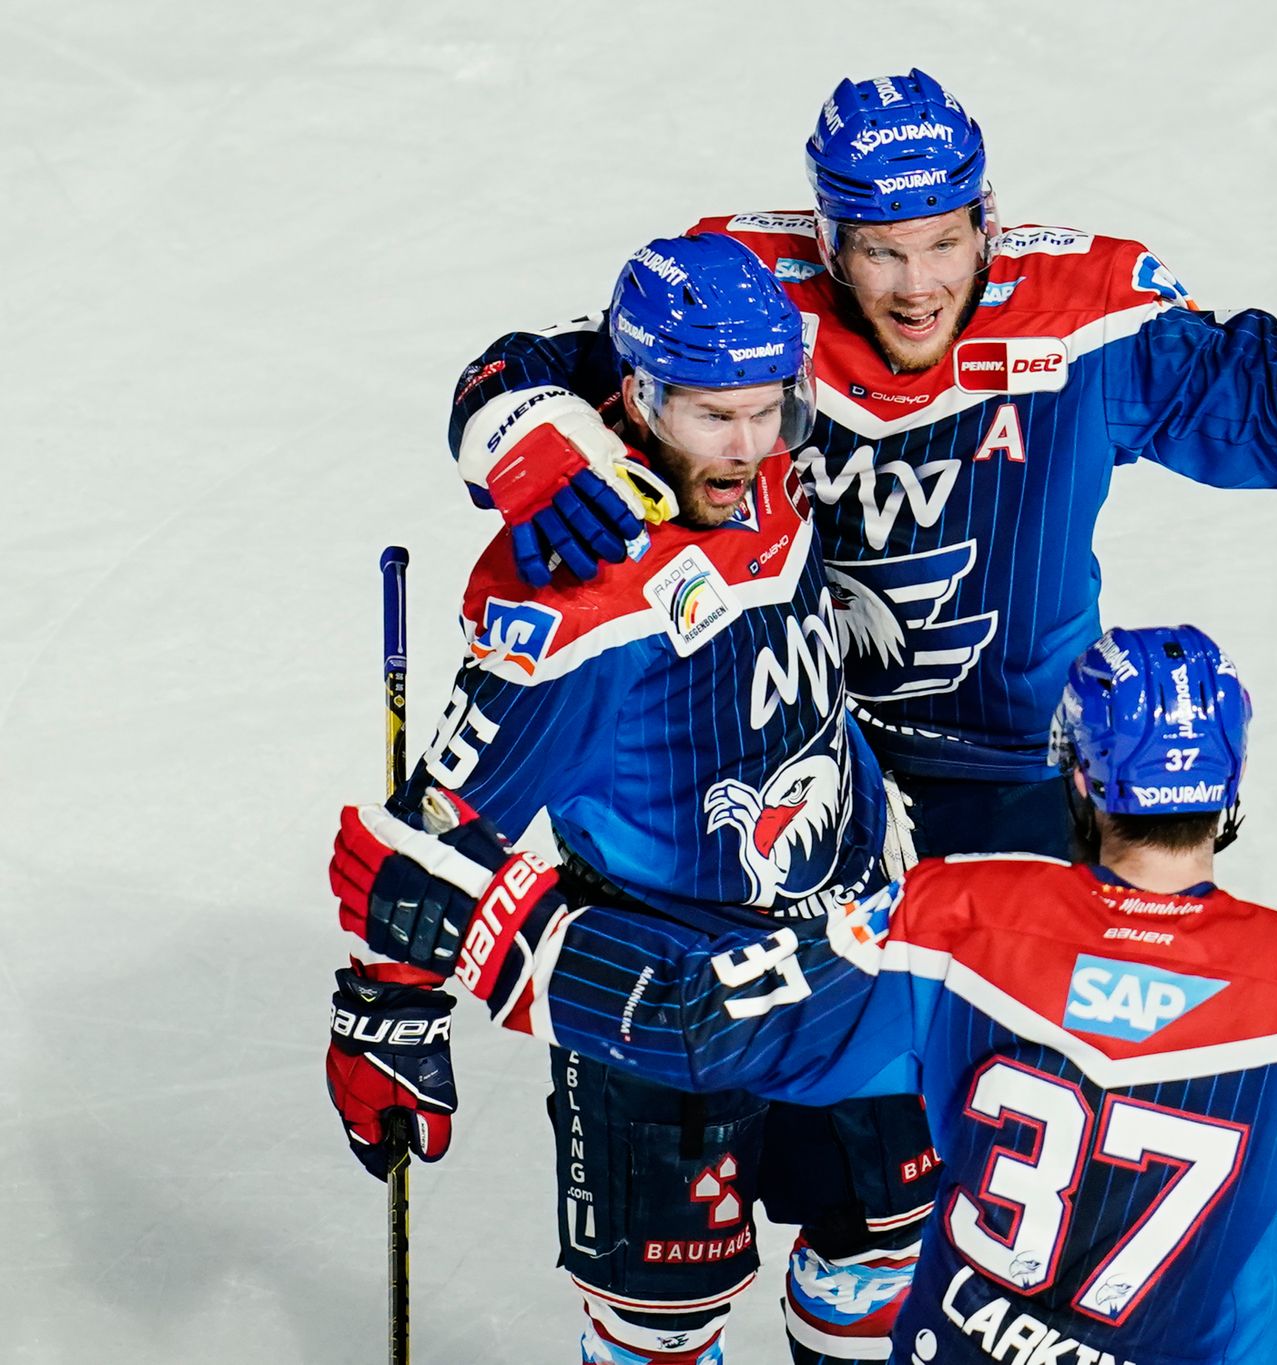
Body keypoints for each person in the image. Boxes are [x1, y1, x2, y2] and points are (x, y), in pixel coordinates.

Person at [330, 625, 1277, 1365]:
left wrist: (475, 939)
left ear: (1077, 780)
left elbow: (711, 1015)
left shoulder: (954, 915)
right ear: (1229, 799)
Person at [440, 68, 1277, 865]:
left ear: (986, 220)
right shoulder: (749, 293)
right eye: (880, 251)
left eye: (943, 241)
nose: (914, 285)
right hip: (789, 749)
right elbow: (547, 363)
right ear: (828, 238)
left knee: (998, 1089)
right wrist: (531, 441)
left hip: (1015, 770)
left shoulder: (1083, 319)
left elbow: (1254, 398)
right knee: (795, 1105)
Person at [324, 234, 940, 1365]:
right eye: (714, 416)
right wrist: (387, 1014)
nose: (751, 449)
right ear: (639, 395)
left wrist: (506, 406)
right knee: (661, 1336)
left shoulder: (767, 454)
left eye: (770, 411)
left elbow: (536, 359)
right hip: (667, 1001)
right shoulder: (573, 589)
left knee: (885, 1262)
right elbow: (442, 835)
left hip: (857, 952)